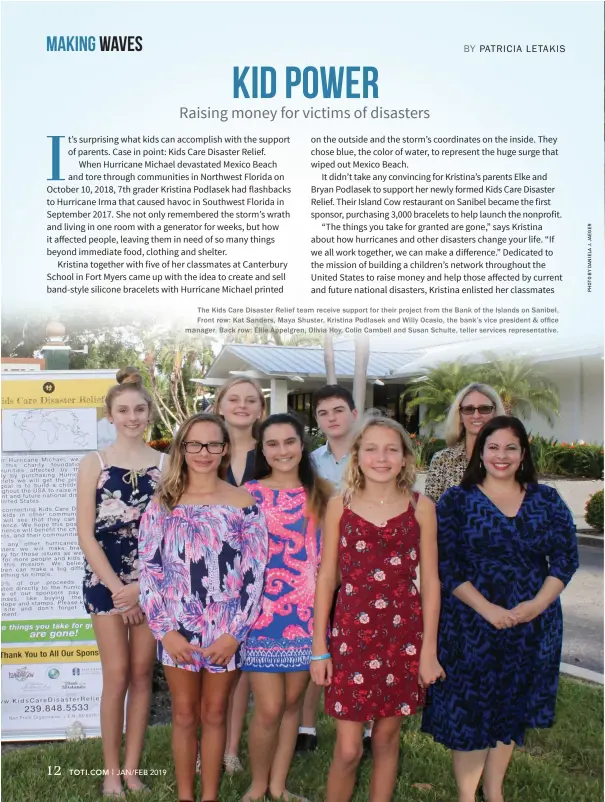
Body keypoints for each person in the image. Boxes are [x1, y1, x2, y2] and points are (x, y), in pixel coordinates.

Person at [421, 416, 579, 802]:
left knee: (510, 707)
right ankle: (466, 795)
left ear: (523, 452)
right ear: (482, 452)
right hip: (469, 622)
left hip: (532, 624)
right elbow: (447, 566)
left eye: (511, 447)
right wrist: (488, 609)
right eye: (493, 447)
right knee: (472, 711)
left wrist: (536, 605)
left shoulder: (547, 500)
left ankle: (494, 792)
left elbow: (565, 558)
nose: (501, 455)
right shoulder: (457, 501)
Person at [311, 414, 444, 802]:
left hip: (403, 634)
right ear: (357, 455)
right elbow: (327, 578)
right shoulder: (340, 506)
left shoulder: (421, 508)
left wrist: (428, 651)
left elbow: (431, 582)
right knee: (350, 748)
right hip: (351, 633)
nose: (381, 457)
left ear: (405, 458)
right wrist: (320, 645)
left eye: (391, 449)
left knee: (386, 738)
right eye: (371, 448)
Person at [137, 413, 268, 802]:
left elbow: (254, 576)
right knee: (184, 714)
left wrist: (235, 634)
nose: (203, 452)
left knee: (215, 713)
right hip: (176, 629)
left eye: (213, 444)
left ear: (225, 449)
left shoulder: (244, 503)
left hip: (225, 632)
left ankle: (209, 795)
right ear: (181, 448)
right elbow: (149, 571)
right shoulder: (163, 503)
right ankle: (185, 796)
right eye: (194, 444)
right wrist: (166, 632)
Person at [77, 367, 167, 797]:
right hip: (105, 580)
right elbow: (85, 534)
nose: (132, 416)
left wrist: (142, 589)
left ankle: (132, 770)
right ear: (109, 415)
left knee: (141, 672)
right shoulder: (93, 463)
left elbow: (171, 533)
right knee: (116, 675)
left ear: (148, 414)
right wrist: (119, 591)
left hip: (151, 581)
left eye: (139, 408)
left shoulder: (167, 465)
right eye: (123, 409)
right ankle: (111, 773)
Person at [241, 413, 333, 802]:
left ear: (302, 445)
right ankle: (257, 784)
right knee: (269, 707)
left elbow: (332, 564)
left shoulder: (323, 495)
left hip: (307, 617)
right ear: (262, 450)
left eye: (290, 442)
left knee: (293, 704)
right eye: (272, 444)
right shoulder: (247, 493)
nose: (282, 451)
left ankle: (279, 786)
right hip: (259, 618)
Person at [298, 384, 359, 753]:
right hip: (317, 563)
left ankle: (363, 727)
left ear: (353, 412)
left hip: (362, 563)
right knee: (315, 639)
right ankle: (307, 726)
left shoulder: (370, 455)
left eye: (338, 410)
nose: (331, 418)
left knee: (358, 644)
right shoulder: (310, 462)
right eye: (323, 414)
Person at [214, 376, 267, 774]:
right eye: (234, 398)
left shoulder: (271, 452)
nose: (242, 405)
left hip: (257, 570)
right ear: (220, 405)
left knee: (242, 663)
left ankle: (229, 750)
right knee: (210, 662)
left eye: (251, 400)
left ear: (261, 410)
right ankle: (206, 745)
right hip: (206, 572)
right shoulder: (204, 449)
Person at [424, 383, 505, 504]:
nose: (476, 415)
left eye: (484, 408)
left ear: (495, 413)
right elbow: (429, 511)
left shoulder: (508, 459)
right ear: (460, 415)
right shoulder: (442, 460)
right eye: (469, 409)